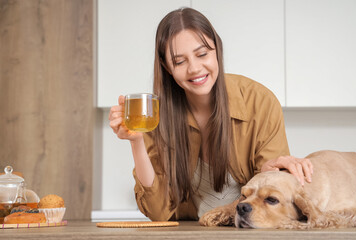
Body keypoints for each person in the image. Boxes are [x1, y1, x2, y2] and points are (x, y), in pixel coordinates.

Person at [109, 7, 313, 221]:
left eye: (202, 54)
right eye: (180, 61)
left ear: (217, 49)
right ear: (167, 67)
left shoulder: (259, 102)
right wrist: (136, 142)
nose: (195, 68)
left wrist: (266, 174)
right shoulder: (154, 116)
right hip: (190, 233)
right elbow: (158, 212)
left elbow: (273, 199)